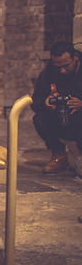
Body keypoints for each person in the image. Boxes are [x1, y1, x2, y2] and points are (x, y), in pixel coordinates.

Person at [31, 41, 82, 175]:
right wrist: (45, 102)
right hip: (60, 115)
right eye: (58, 66)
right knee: (40, 118)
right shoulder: (50, 71)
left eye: (66, 66)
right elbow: (36, 100)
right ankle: (59, 154)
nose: (62, 71)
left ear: (75, 58)